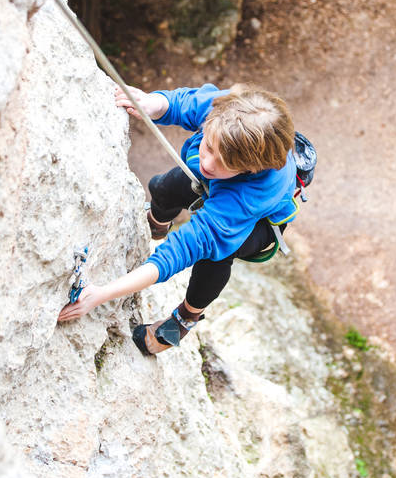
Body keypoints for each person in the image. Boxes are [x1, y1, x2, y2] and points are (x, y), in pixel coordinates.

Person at [58, 82, 300, 354]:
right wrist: (155, 103)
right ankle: (157, 224)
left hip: (258, 225)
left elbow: (179, 251)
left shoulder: (246, 196)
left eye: (224, 163)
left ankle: (187, 316)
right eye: (209, 147)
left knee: (216, 256)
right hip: (220, 185)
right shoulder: (228, 111)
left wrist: (102, 294)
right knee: (163, 187)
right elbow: (187, 103)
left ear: (252, 168)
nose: (209, 164)